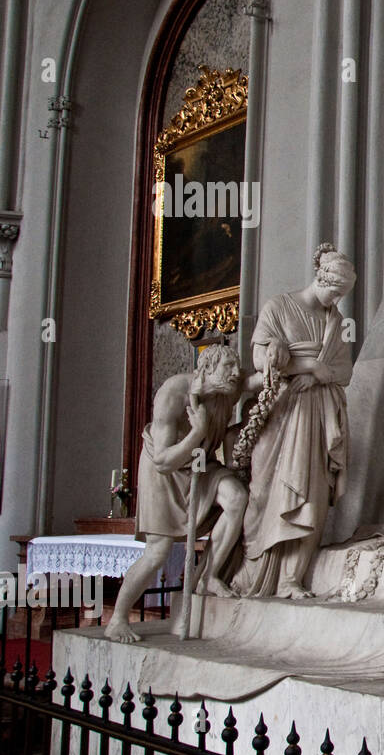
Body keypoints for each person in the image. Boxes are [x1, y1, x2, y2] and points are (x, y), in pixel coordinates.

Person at [105, 345, 249, 642]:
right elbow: (162, 460)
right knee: (157, 552)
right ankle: (118, 617)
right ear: (207, 369)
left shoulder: (228, 389)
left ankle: (210, 574)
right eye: (228, 367)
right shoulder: (172, 395)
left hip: (201, 464)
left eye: (236, 368)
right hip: (165, 474)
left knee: (236, 498)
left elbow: (258, 380)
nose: (236, 373)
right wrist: (197, 432)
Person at [238, 243, 356, 598]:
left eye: (341, 296)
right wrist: (308, 365)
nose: (336, 302)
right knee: (264, 492)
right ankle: (252, 570)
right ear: (320, 278)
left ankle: (291, 579)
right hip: (283, 410)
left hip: (320, 413)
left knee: (314, 495)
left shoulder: (334, 320)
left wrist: (321, 375)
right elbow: (260, 359)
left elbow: (345, 370)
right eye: (334, 293)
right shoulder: (279, 306)